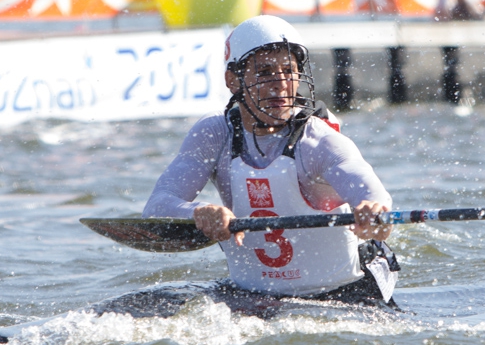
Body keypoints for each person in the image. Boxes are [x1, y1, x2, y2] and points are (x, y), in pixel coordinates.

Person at [143, 15, 398, 305]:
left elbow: (373, 195)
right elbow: (156, 208)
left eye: (288, 71)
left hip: (343, 292)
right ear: (232, 80)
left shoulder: (318, 141)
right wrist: (200, 213)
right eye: (264, 71)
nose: (281, 84)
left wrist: (375, 216)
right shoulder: (214, 135)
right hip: (253, 295)